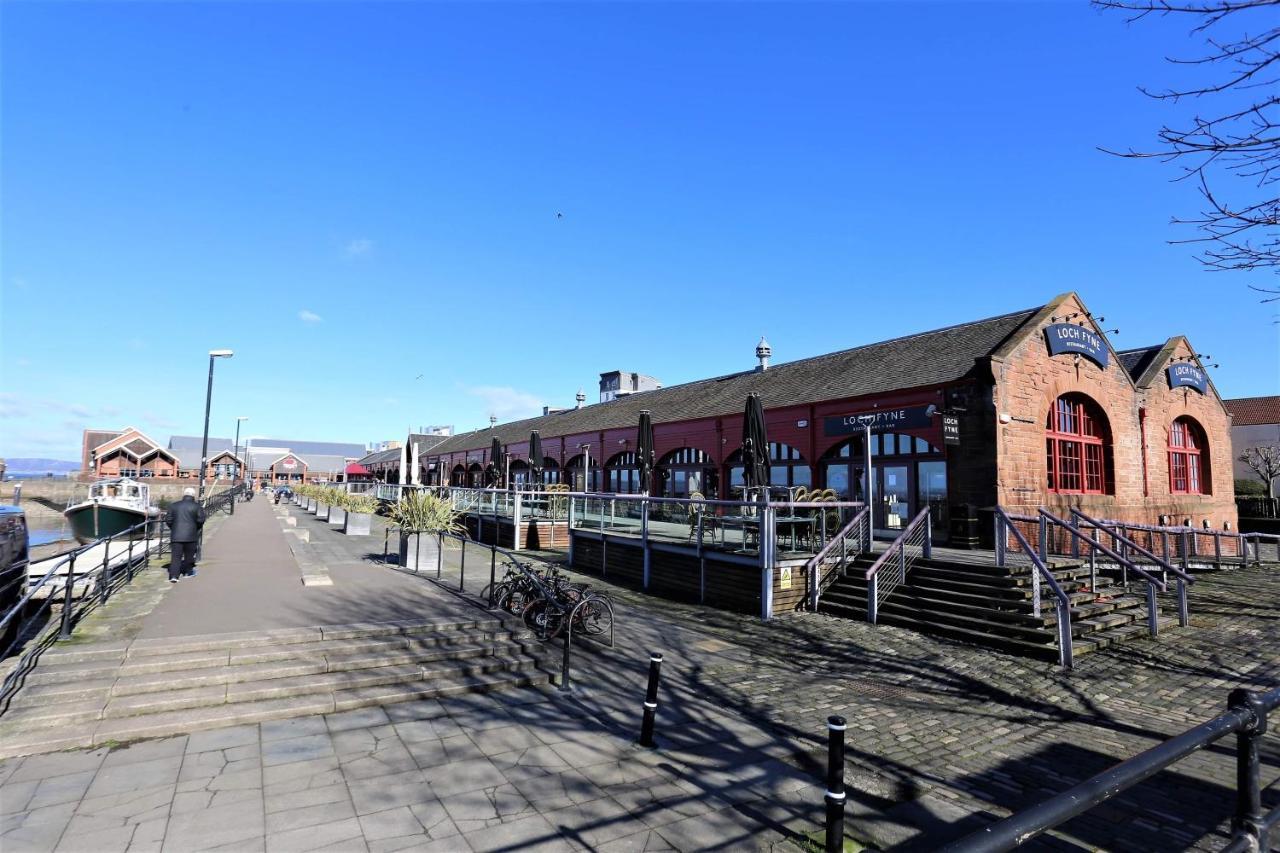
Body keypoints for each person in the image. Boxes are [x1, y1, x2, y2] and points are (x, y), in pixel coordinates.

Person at [166, 487, 206, 583]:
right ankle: (188, 572)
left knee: (175, 557)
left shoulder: (174, 505)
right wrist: (196, 528)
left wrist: (174, 528)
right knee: (189, 556)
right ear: (193, 495)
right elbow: (201, 520)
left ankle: (174, 576)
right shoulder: (197, 506)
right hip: (191, 535)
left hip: (176, 535)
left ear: (184, 495)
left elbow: (168, 520)